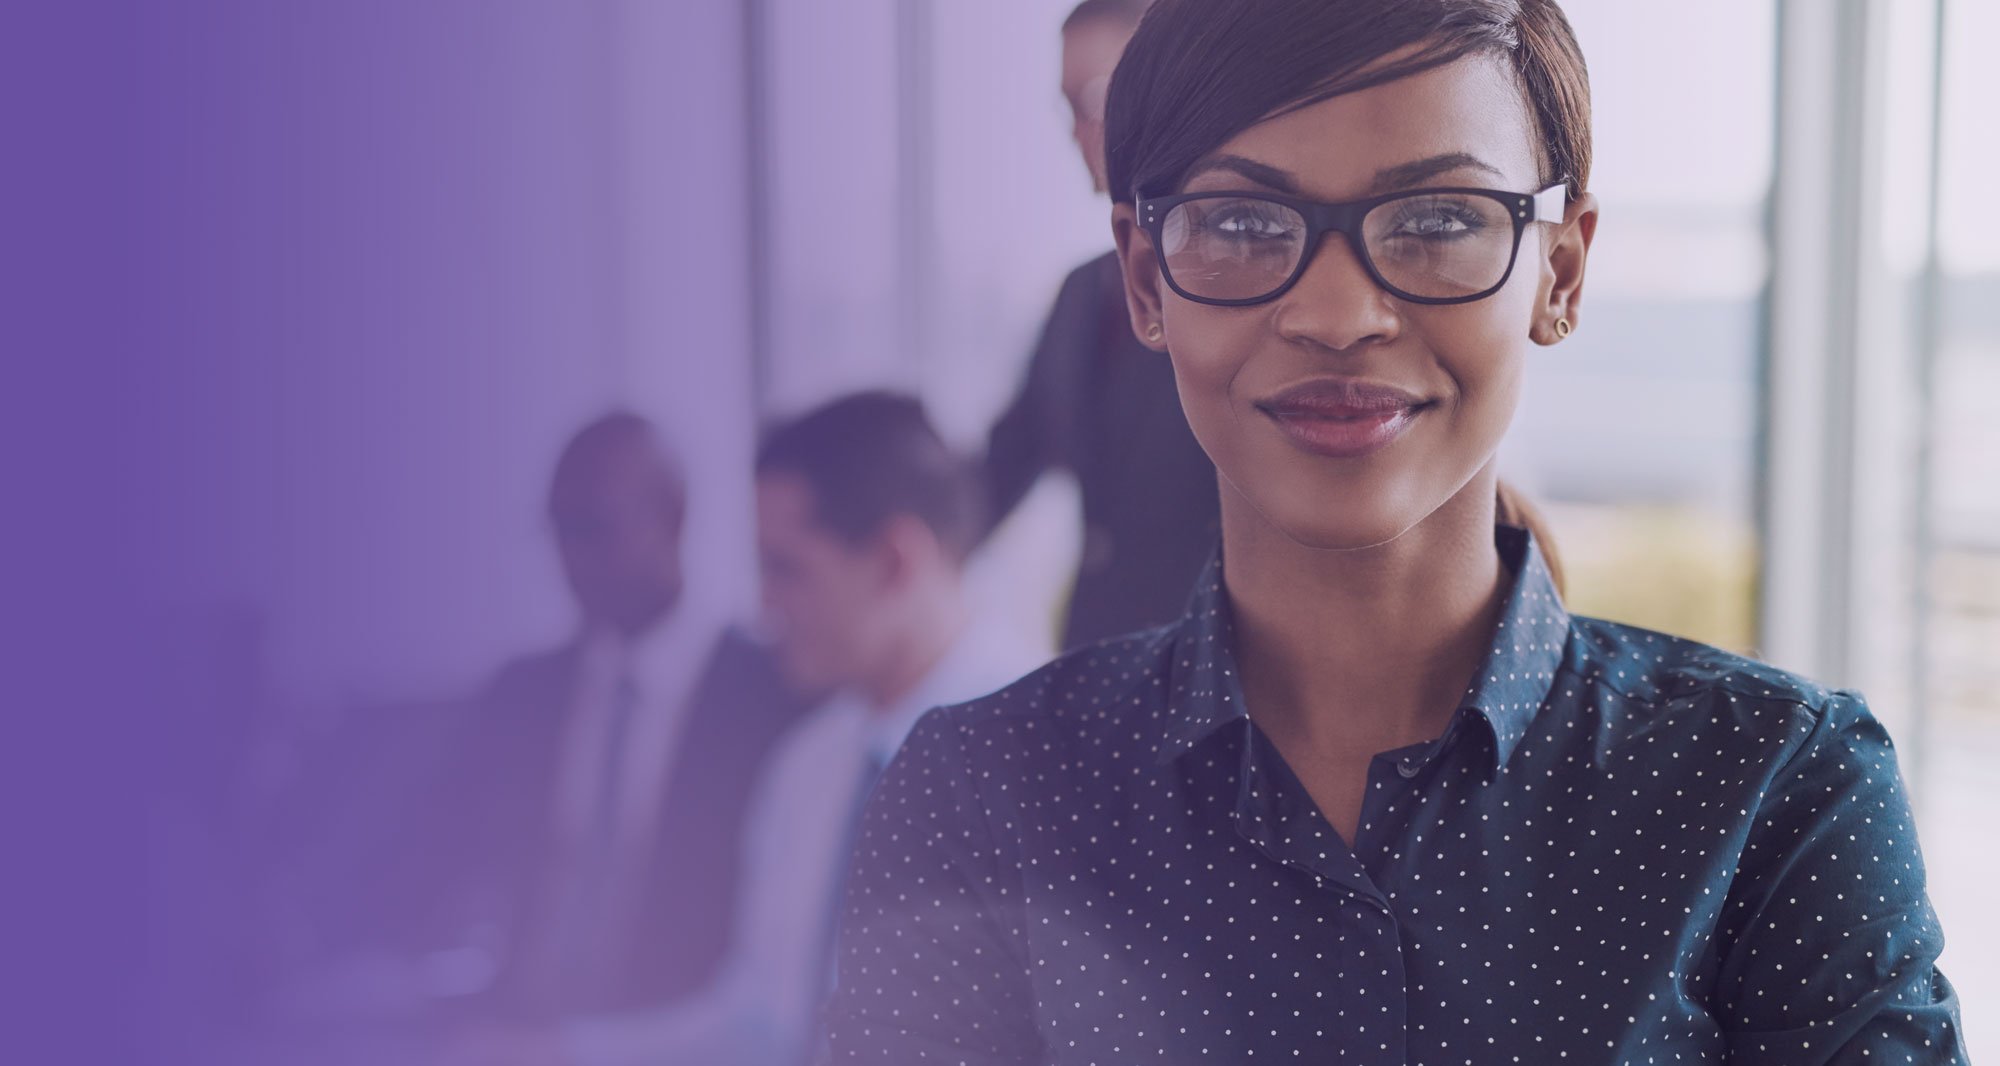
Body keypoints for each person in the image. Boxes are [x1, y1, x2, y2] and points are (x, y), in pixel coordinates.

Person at [819, 1, 1967, 1062]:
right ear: (1143, 278)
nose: (1333, 314)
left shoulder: (1775, 788)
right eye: (1240, 221)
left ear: (1557, 272)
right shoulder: (980, 795)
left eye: (1433, 221)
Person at [312, 413, 817, 1062]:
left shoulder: (771, 699)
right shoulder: (521, 696)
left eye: (595, 528)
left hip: (669, 1044)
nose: (573, 559)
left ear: (674, 514)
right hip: (509, 1031)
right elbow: (425, 860)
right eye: (559, 532)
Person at [556, 393, 1039, 1066]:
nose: (764, 605)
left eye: (786, 568)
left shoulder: (1056, 767)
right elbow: (760, 1026)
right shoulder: (806, 765)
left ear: (895, 562)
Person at [981, 0, 1220, 652]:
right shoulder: (1081, 292)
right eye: (1068, 106)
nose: (1077, 130)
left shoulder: (1241, 282)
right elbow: (1007, 459)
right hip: (1097, 654)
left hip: (1214, 664)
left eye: (1095, 95)